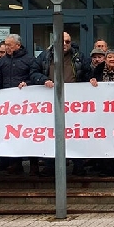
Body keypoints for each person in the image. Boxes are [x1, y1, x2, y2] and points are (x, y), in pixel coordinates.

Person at [31, 31, 88, 176]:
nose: (64, 44)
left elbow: (88, 73)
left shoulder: (78, 56)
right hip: (51, 101)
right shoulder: (44, 56)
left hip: (75, 103)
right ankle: (50, 165)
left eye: (67, 42)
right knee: (51, 133)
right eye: (61, 41)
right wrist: (43, 80)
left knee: (75, 133)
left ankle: (78, 165)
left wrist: (91, 81)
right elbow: (33, 72)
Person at [0, 34, 40, 175]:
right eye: (6, 44)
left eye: (10, 45)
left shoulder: (29, 60)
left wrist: (27, 83)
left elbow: (35, 76)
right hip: (9, 105)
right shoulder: (3, 61)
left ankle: (34, 164)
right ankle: (16, 163)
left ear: (18, 45)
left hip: (26, 105)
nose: (7, 47)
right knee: (13, 134)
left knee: (29, 134)